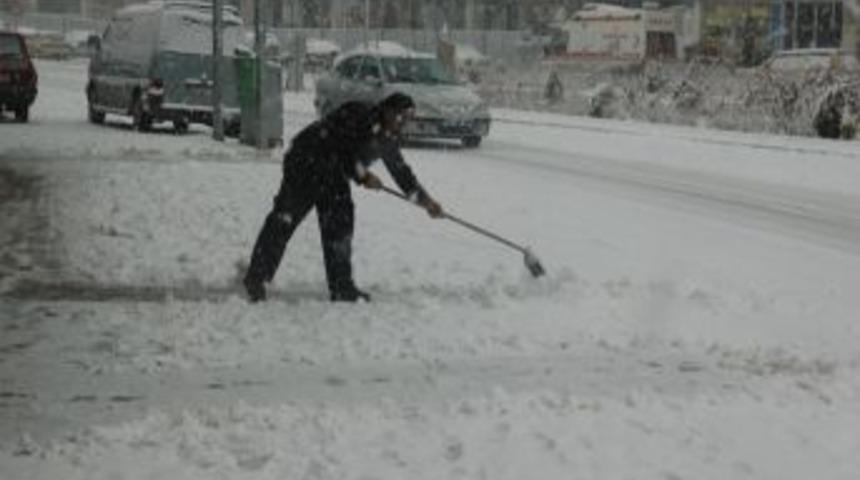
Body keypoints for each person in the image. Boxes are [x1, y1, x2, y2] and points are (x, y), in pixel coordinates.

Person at [243, 93, 443, 303]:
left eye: (408, 119)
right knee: (285, 219)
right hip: (306, 161)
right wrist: (363, 176)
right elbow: (343, 148)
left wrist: (427, 203)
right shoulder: (358, 112)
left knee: (340, 223)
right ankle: (256, 278)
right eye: (401, 117)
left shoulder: (388, 138)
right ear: (388, 110)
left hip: (333, 174)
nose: (402, 123)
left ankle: (341, 287)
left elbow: (402, 173)